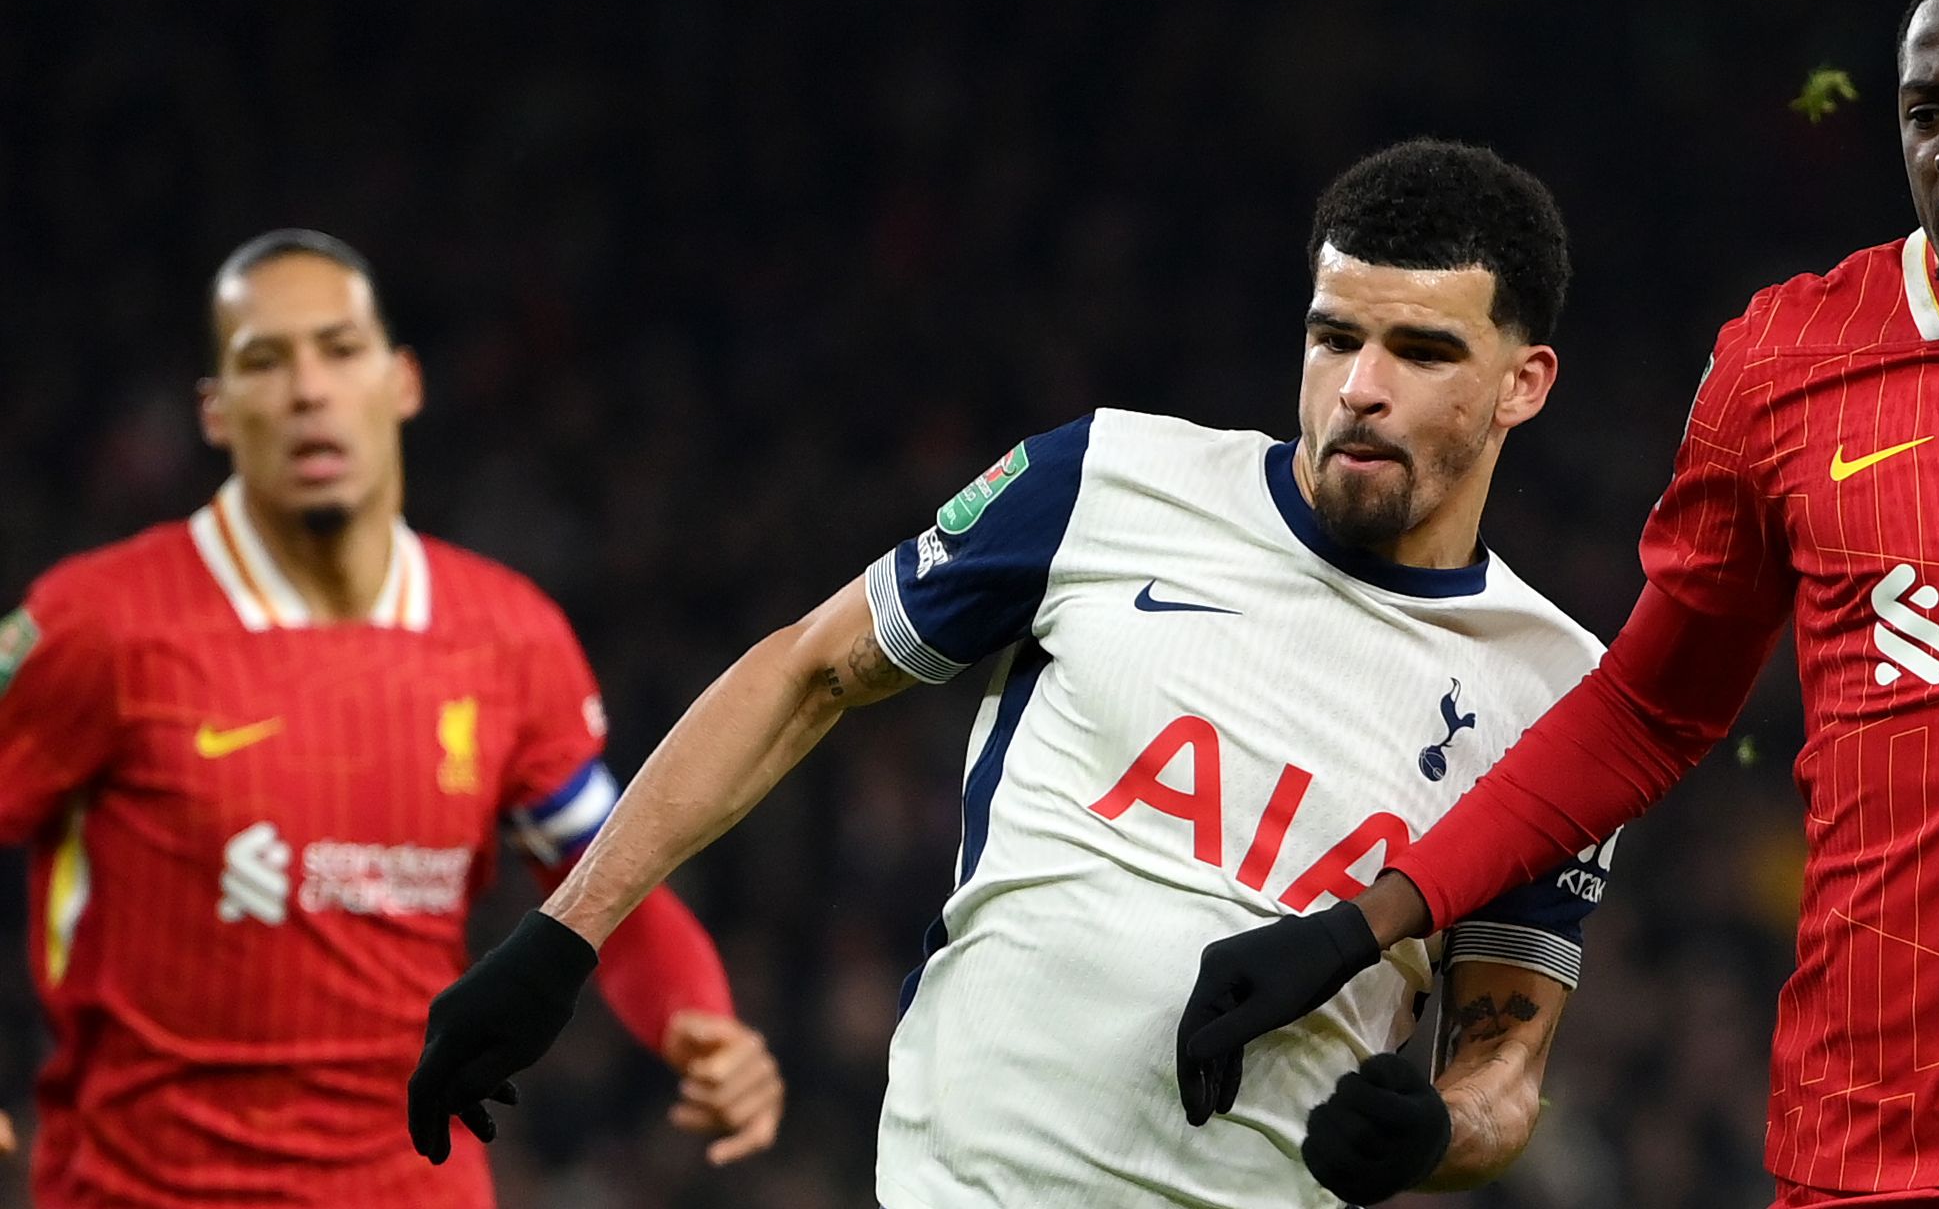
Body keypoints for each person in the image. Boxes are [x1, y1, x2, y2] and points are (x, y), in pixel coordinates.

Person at [1177, 0, 1939, 1209]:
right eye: (1926, 113)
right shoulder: (1790, 364)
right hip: (1883, 1130)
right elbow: (1646, 712)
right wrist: (1363, 922)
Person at [406, 138, 1618, 1207]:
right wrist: (562, 935)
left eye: (1421, 350)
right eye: (1333, 336)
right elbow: (809, 670)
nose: (1359, 387)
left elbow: (1504, 1064)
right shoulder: (1108, 479)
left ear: (1524, 382)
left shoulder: (1559, 692)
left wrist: (1436, 1131)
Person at [0, 230, 783, 1207]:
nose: (308, 390)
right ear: (215, 411)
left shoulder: (507, 636)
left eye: (339, 350)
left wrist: (697, 1017)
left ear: (402, 381)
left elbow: (604, 881)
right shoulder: (96, 624)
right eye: (265, 360)